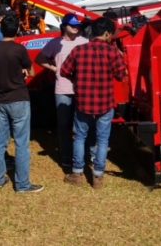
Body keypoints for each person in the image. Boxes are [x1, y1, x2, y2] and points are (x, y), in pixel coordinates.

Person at [60, 17, 127, 190]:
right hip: (105, 103)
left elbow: (64, 71)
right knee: (102, 140)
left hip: (83, 102)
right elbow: (121, 75)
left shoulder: (78, 50)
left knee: (80, 137)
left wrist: (77, 79)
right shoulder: (111, 52)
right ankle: (98, 177)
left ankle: (77, 173)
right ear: (106, 33)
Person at [0, 15, 43, 193]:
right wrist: (24, 73)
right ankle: (22, 183)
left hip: (1, 98)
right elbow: (32, 71)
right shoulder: (19, 49)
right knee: (21, 143)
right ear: (17, 30)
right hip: (19, 98)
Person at [34, 14, 90, 169]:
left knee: (81, 125)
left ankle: (82, 156)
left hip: (81, 90)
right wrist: (55, 68)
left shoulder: (84, 42)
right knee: (64, 125)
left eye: (77, 25)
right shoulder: (54, 43)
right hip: (63, 90)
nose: (76, 27)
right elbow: (39, 59)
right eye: (72, 25)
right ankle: (66, 157)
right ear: (64, 26)